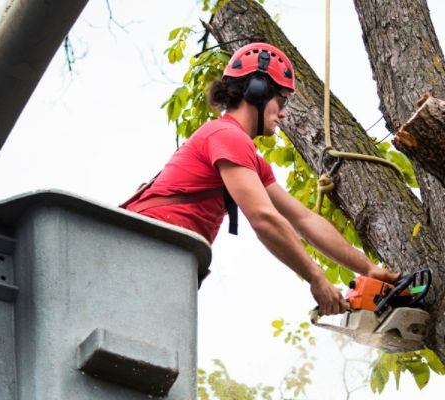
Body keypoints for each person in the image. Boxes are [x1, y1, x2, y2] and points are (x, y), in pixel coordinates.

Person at [122, 42, 398, 316]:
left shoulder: (248, 159)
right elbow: (264, 219)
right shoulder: (227, 136)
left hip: (162, 254)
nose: (283, 113)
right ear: (257, 91)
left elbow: (304, 220)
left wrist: (368, 269)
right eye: (281, 101)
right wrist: (316, 277)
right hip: (140, 247)